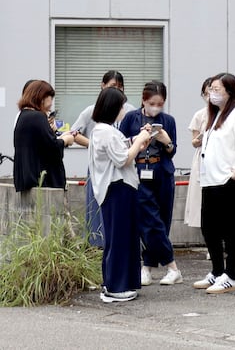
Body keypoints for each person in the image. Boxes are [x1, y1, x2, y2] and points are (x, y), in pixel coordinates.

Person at [193, 73, 235, 294]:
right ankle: (217, 271)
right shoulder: (215, 115)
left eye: (217, 89)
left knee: (230, 228)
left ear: (230, 91)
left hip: (228, 180)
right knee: (209, 227)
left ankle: (231, 275)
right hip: (210, 180)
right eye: (210, 89)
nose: (212, 94)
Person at [88, 87, 151, 303]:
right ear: (113, 107)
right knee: (121, 237)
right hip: (119, 188)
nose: (124, 109)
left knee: (119, 237)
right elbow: (123, 159)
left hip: (115, 188)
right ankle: (116, 287)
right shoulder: (105, 131)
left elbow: (121, 152)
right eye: (121, 105)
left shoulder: (100, 130)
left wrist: (138, 143)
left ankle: (117, 283)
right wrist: (140, 138)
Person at [119, 81, 182, 286]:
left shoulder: (168, 120)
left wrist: (166, 140)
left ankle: (147, 267)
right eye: (152, 102)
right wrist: (139, 137)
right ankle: (171, 267)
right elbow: (121, 144)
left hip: (161, 172)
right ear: (144, 100)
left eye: (160, 103)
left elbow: (172, 151)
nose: (156, 107)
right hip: (138, 171)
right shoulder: (131, 118)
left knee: (162, 220)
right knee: (149, 220)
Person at [72, 70, 136, 247]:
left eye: (120, 87)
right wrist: (95, 144)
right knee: (96, 205)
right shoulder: (93, 112)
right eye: (112, 86)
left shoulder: (130, 111)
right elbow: (74, 134)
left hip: (121, 170)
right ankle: (96, 243)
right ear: (102, 86)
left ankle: (111, 245)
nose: (117, 90)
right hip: (102, 166)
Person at [13, 80, 75, 193]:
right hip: (42, 182)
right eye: (50, 97)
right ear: (41, 97)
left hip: (26, 179)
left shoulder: (23, 116)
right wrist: (65, 140)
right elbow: (52, 147)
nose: (51, 102)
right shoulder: (38, 117)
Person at [185, 77, 213, 229]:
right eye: (206, 94)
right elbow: (194, 141)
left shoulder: (225, 114)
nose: (209, 97)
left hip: (219, 158)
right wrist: (203, 137)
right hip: (202, 157)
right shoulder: (199, 115)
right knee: (200, 198)